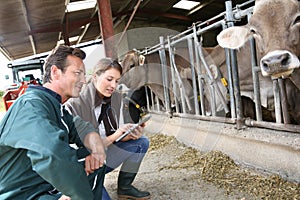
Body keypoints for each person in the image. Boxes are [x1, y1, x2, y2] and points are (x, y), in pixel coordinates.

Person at [0, 45, 106, 200]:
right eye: (77, 73)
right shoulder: (31, 105)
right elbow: (51, 153)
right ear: (55, 72)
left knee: (94, 159)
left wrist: (96, 149)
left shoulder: (56, 107)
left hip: (41, 183)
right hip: (22, 194)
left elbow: (81, 128)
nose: (83, 80)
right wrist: (78, 195)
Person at [65, 58, 151, 200]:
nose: (113, 85)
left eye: (117, 81)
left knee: (141, 142)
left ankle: (125, 188)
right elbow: (82, 149)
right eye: (109, 79)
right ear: (95, 77)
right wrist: (115, 136)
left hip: (104, 157)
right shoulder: (75, 104)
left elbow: (113, 133)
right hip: (86, 166)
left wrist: (126, 135)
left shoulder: (115, 99)